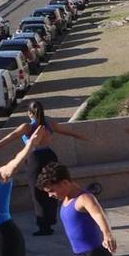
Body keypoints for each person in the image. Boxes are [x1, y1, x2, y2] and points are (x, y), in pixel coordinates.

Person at [15, 101, 87, 236]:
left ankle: (43, 225)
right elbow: (68, 132)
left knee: (37, 191)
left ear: (29, 113)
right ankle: (51, 220)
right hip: (49, 155)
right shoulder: (49, 124)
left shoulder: (27, 127)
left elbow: (9, 138)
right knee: (54, 187)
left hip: (34, 158)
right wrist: (84, 137)